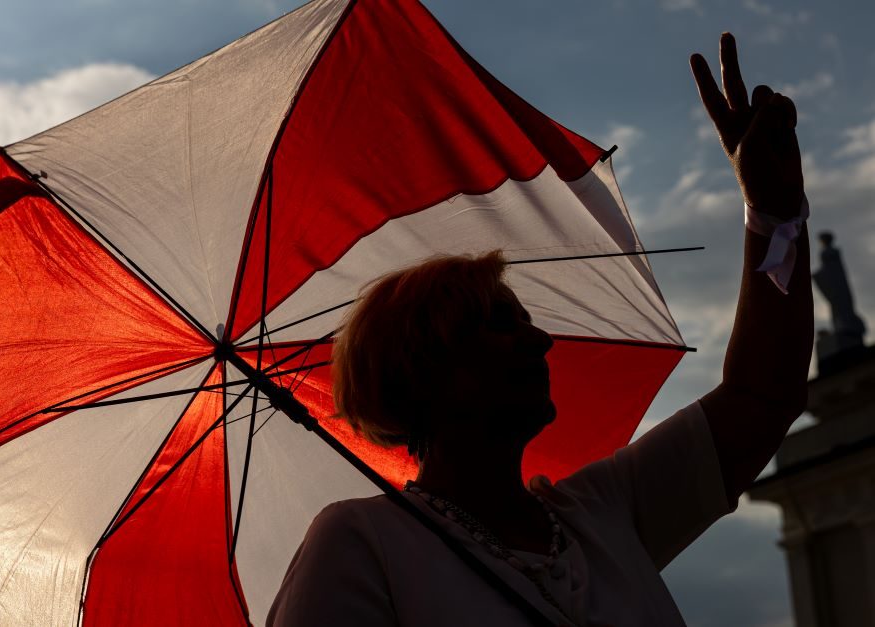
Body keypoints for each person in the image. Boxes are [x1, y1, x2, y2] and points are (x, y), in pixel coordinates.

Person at [266, 32, 812, 627]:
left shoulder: (605, 511)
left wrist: (775, 215)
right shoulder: (361, 543)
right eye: (500, 325)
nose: (540, 341)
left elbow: (763, 395)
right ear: (426, 372)